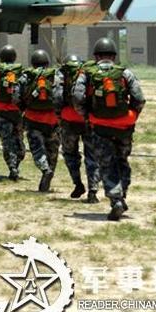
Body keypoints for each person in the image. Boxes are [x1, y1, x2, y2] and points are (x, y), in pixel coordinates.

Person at [73, 37, 146, 221]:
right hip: (124, 127)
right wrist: (131, 117)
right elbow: (139, 98)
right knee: (122, 160)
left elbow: (77, 97)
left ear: (96, 56)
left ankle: (116, 199)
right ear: (114, 55)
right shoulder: (124, 73)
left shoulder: (87, 73)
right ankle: (123, 192)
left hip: (100, 127)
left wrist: (86, 116)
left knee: (107, 164)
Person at [53, 54, 101, 203]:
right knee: (92, 156)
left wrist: (59, 115)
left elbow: (57, 96)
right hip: (87, 120)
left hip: (68, 120)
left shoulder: (61, 73)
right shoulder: (88, 72)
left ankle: (78, 184)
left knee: (70, 154)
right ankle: (93, 190)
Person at [18, 50, 60, 192]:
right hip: (53, 120)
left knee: (37, 150)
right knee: (52, 151)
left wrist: (22, 108)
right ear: (47, 63)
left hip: (33, 119)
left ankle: (45, 169)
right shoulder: (55, 75)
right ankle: (48, 174)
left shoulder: (27, 76)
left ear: (33, 63)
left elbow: (16, 97)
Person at [0, 44, 24, 180]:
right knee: (19, 140)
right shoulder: (20, 71)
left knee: (7, 142)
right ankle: (17, 162)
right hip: (16, 112)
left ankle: (12, 167)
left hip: (0, 110)